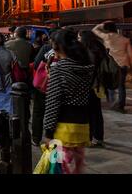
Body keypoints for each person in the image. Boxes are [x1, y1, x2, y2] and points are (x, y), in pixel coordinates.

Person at [44, 29, 94, 174]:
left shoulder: (59, 69)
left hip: (63, 128)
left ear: (58, 47)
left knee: (59, 167)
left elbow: (53, 103)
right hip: (82, 125)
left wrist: (48, 132)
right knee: (78, 166)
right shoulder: (87, 67)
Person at [92, 21, 132, 113]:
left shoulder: (107, 37)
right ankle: (121, 105)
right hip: (123, 64)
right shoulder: (125, 39)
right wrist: (130, 65)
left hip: (111, 65)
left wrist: (102, 24)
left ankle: (112, 102)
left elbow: (94, 30)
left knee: (110, 83)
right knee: (121, 85)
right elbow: (130, 54)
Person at [78, 31, 109, 148]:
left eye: (79, 37)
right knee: (96, 112)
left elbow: (90, 71)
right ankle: (99, 137)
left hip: (91, 86)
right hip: (97, 85)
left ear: (85, 39)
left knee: (90, 113)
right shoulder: (98, 49)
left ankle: (91, 138)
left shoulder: (90, 52)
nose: (78, 40)